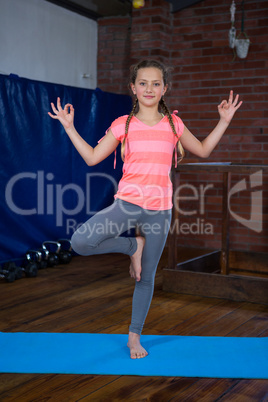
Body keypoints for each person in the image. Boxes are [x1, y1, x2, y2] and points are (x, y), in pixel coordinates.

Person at [48, 59, 242, 359]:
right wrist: (70, 128)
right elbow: (91, 158)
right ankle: (132, 245)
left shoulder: (174, 124)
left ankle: (134, 336)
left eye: (155, 83)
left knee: (146, 276)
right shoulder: (122, 124)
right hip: (126, 204)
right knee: (81, 242)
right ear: (133, 88)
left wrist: (224, 121)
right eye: (143, 83)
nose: (149, 88)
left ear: (164, 88)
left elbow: (203, 149)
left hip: (159, 211)